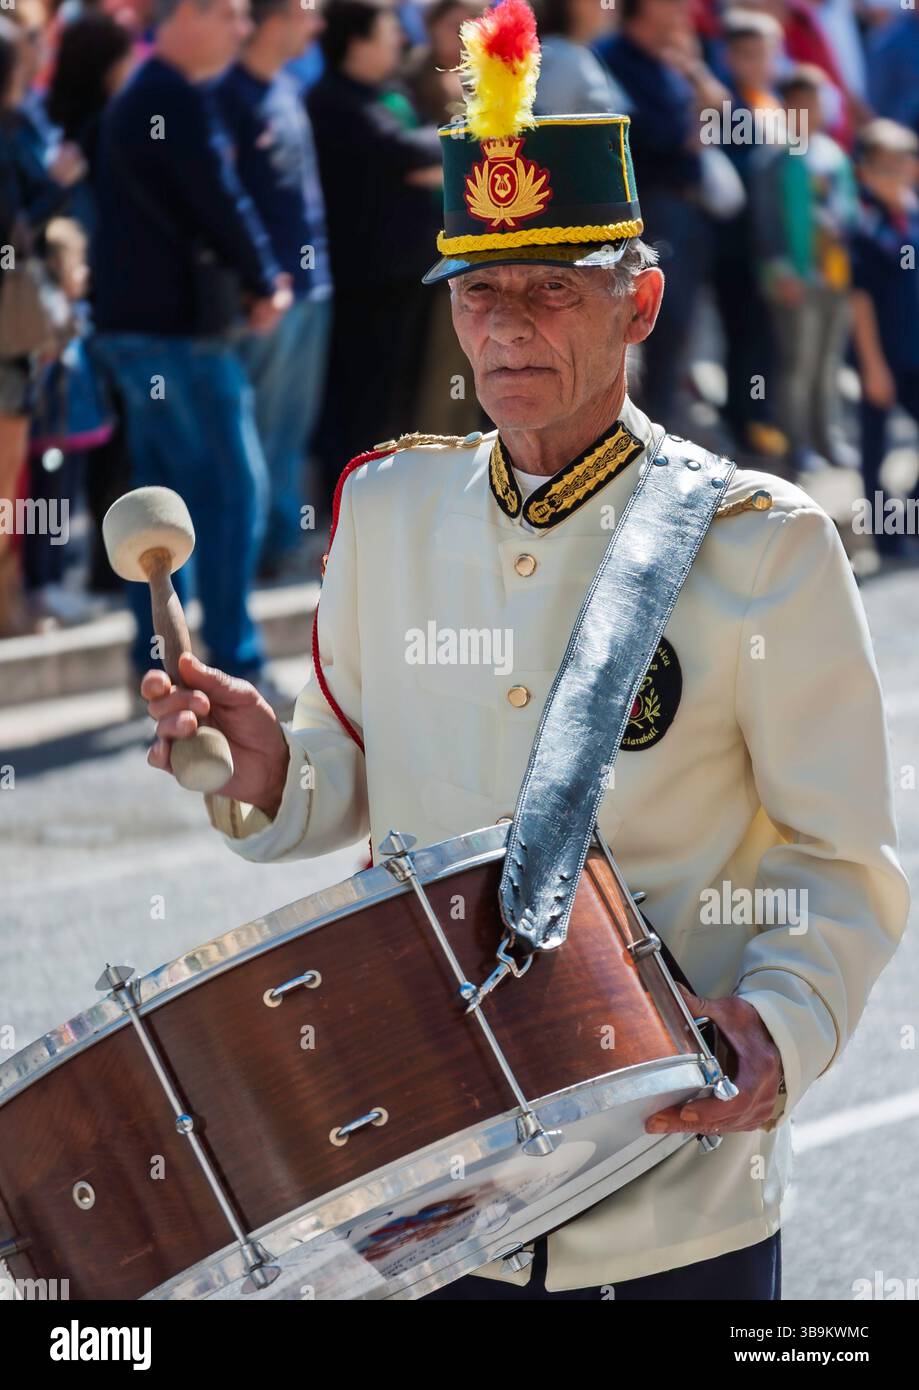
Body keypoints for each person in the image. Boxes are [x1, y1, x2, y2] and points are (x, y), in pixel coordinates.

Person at [140, 0, 908, 1300]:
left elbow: (837, 867)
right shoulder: (386, 510)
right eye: (478, 291)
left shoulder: (757, 546)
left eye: (549, 292)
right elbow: (351, 776)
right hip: (443, 1206)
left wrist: (775, 1028)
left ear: (640, 301)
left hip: (675, 1205)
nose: (501, 327)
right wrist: (271, 773)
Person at [91, 0, 293, 688]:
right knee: (234, 492)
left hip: (147, 335)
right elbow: (220, 197)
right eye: (231, 15)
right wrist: (266, 279)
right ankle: (233, 662)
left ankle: (157, 660)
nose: (243, 29)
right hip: (175, 340)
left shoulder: (151, 94)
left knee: (155, 508)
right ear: (189, 16)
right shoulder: (169, 95)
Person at [216, 0, 332, 579]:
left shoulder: (287, 89)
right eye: (306, 13)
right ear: (274, 19)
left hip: (313, 285)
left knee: (291, 427)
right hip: (268, 296)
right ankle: (251, 552)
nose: (317, 25)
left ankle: (281, 543)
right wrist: (253, 283)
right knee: (255, 430)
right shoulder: (226, 95)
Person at [307, 0, 441, 495]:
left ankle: (381, 494)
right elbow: (407, 153)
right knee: (362, 399)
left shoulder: (382, 93)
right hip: (365, 279)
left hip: (404, 273)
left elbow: (423, 157)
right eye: (388, 33)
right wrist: (438, 151)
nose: (400, 42)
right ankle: (347, 501)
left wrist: (428, 159)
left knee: (395, 397)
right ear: (358, 42)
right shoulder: (332, 101)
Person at [594, 0, 728, 432]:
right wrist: (694, 128)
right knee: (645, 324)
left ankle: (662, 431)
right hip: (648, 209)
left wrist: (695, 72)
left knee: (680, 323)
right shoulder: (610, 57)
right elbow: (662, 137)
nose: (683, 12)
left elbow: (718, 121)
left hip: (687, 209)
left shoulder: (672, 62)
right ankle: (629, 437)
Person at [754, 64, 858, 475]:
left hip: (836, 275)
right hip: (795, 278)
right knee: (798, 361)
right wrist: (781, 270)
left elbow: (848, 212)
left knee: (829, 361)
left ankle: (827, 436)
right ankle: (796, 442)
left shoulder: (835, 155)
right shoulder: (773, 160)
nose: (810, 110)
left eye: (815, 102)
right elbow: (765, 224)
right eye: (800, 103)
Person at [850, 118, 919, 563]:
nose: (896, 172)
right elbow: (860, 299)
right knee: (874, 447)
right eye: (885, 165)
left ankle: (908, 512)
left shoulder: (911, 214)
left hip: (914, 347)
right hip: (882, 350)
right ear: (865, 171)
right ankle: (884, 532)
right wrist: (873, 365)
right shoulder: (863, 224)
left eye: (904, 161)